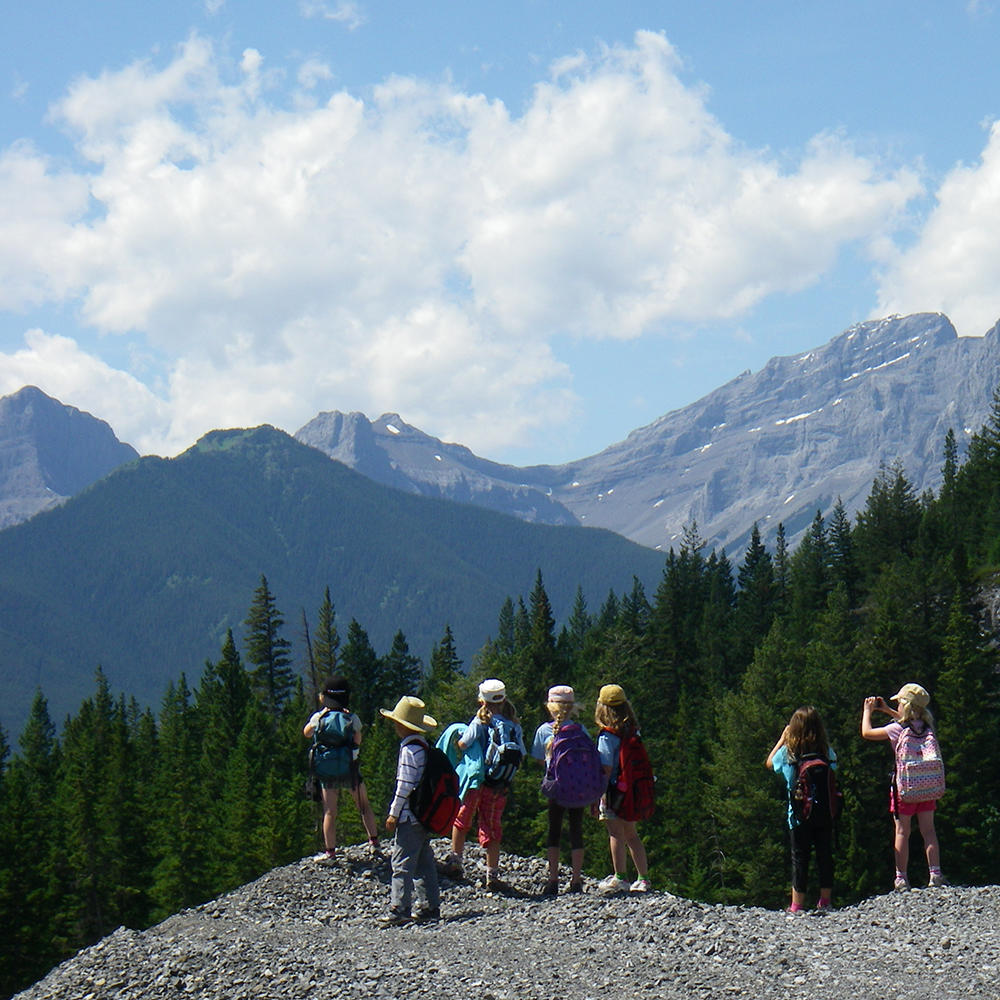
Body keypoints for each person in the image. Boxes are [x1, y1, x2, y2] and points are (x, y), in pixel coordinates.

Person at [441, 678, 525, 890]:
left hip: (477, 781)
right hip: (499, 785)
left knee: (462, 819)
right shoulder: (514, 726)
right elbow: (521, 754)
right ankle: (492, 874)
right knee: (492, 825)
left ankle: (456, 862)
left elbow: (463, 743)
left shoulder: (480, 722)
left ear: (482, 701)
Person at [861, 683, 946, 889]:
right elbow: (907, 720)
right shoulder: (927, 727)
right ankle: (935, 874)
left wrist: (868, 711)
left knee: (902, 832)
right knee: (929, 831)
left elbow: (867, 732)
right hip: (926, 787)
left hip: (904, 789)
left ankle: (901, 878)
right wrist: (886, 710)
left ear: (904, 705)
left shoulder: (894, 729)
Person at [302, 676, 382, 863]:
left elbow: (306, 733)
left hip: (327, 772)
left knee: (330, 811)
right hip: (350, 769)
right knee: (363, 805)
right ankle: (374, 842)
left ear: (324, 698)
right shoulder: (351, 718)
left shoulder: (319, 718)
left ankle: (330, 852)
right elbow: (358, 740)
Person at [766, 706, 838, 912]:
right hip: (825, 813)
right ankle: (825, 901)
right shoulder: (826, 752)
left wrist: (782, 739)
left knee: (800, 858)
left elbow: (770, 763)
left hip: (798, 816)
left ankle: (797, 904)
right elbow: (834, 768)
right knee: (825, 855)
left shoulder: (789, 754)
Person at [378, 695, 442, 925]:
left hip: (409, 816)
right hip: (424, 816)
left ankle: (400, 908)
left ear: (402, 725)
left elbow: (404, 785)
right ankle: (430, 906)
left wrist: (393, 813)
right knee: (425, 862)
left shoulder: (408, 751)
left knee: (401, 862)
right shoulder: (424, 748)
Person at [530, 685, 598, 896]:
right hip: (579, 788)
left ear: (550, 707)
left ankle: (553, 880)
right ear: (571, 707)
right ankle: (576, 881)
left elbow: (539, 759)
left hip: (556, 788)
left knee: (554, 831)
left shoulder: (544, 731)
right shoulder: (580, 730)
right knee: (576, 830)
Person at [594, 684, 650, 893]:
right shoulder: (633, 731)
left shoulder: (607, 736)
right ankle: (643, 879)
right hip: (633, 790)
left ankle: (621, 877)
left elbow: (606, 768)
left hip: (614, 792)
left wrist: (598, 792)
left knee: (615, 833)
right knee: (632, 834)